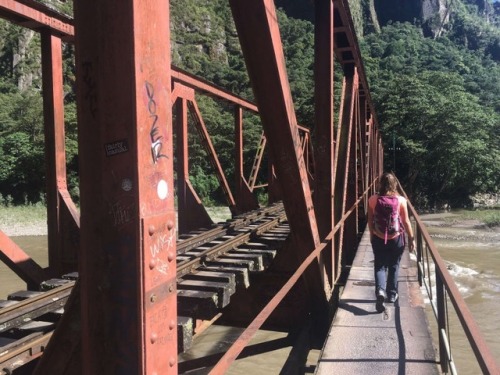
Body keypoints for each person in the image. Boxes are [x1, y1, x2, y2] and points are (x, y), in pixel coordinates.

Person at [367, 172, 415, 313]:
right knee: (394, 265)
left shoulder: (373, 199)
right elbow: (406, 221)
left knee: (380, 266)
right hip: (396, 238)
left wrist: (372, 234)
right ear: (395, 184)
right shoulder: (401, 200)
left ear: (380, 183)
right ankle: (392, 295)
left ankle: (380, 291)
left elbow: (370, 220)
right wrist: (411, 239)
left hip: (378, 237)